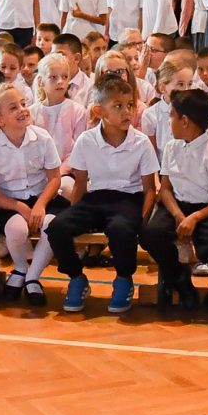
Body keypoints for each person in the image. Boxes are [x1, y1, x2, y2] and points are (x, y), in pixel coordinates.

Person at [46, 76, 158, 314]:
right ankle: (77, 278)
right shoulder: (87, 140)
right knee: (57, 228)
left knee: (120, 229)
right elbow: (80, 184)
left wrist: (142, 220)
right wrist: (75, 215)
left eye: (130, 105)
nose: (127, 111)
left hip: (128, 199)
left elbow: (150, 189)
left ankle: (124, 279)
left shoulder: (141, 142)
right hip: (95, 198)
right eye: (118, 106)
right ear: (99, 111)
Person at [139, 87, 208, 312]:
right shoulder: (172, 147)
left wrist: (195, 218)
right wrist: (178, 215)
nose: (168, 121)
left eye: (171, 116)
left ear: (185, 121)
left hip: (204, 208)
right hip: (175, 205)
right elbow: (165, 189)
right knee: (150, 234)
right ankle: (179, 278)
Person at [0, 80, 66, 306]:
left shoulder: (42, 138)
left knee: (52, 225)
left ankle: (32, 277)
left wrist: (40, 205)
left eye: (23, 103)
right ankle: (20, 267)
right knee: (16, 229)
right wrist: (19, 207)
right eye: (13, 107)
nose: (23, 110)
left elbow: (55, 178)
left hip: (43, 196)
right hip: (9, 201)